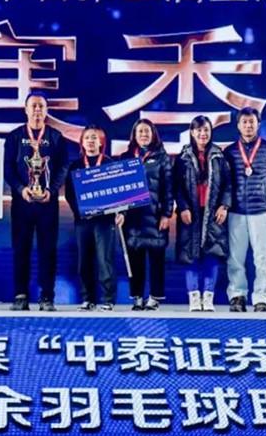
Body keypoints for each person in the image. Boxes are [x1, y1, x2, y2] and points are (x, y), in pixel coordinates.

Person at [3, 93, 69, 311]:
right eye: (34, 106)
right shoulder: (14, 137)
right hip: (22, 204)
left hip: (47, 204)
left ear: (47, 110)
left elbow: (63, 167)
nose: (37, 110)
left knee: (47, 250)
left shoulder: (56, 137)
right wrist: (21, 189)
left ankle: (47, 297)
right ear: (26, 109)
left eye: (41, 106)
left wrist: (51, 190)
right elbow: (8, 169)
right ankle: (20, 295)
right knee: (20, 249)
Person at [224, 107, 266, 312]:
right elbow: (226, 181)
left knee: (263, 257)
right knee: (235, 257)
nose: (248, 126)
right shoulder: (230, 152)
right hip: (236, 210)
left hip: (262, 211)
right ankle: (237, 295)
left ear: (258, 124)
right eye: (245, 122)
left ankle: (262, 298)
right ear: (238, 125)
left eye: (252, 122)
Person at [174, 116, 230, 312]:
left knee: (211, 255)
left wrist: (224, 206)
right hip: (191, 213)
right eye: (198, 130)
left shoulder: (219, 156)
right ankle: (194, 297)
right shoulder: (183, 157)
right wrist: (183, 207)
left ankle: (208, 297)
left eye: (206, 130)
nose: (203, 134)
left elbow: (228, 185)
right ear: (192, 132)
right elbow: (176, 186)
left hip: (213, 213)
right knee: (191, 255)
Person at [116, 118, 173, 311]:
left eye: (147, 131)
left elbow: (169, 189)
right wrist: (120, 212)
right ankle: (137, 297)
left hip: (155, 217)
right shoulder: (125, 158)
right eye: (140, 131)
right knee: (134, 260)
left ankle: (155, 297)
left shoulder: (162, 158)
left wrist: (166, 214)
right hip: (132, 218)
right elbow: (119, 190)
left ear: (153, 134)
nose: (143, 135)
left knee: (156, 260)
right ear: (134, 135)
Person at [66, 125, 117, 311]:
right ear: (82, 142)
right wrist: (81, 212)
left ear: (101, 142)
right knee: (84, 261)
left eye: (94, 138)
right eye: (87, 138)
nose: (90, 141)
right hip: (83, 221)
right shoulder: (76, 166)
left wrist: (119, 212)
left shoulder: (110, 164)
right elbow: (70, 194)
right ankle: (88, 299)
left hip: (105, 221)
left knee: (105, 260)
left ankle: (108, 299)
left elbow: (119, 193)